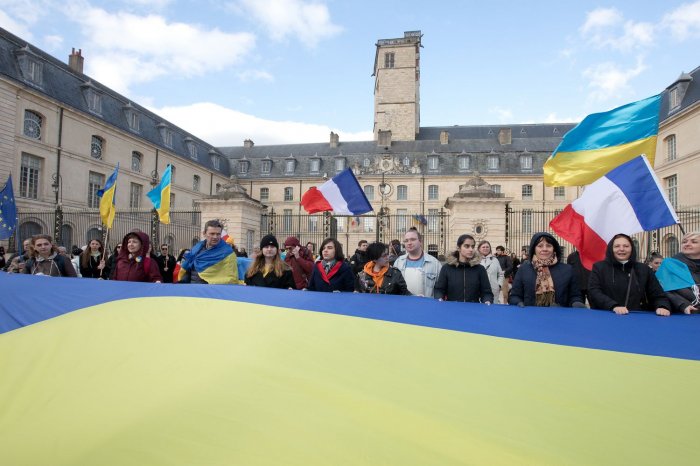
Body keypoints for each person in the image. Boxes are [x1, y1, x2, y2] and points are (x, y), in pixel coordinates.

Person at [588, 234, 671, 316]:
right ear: (611, 249)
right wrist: (613, 306)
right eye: (617, 246)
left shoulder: (644, 269)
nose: (621, 249)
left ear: (632, 248)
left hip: (636, 317)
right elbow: (594, 291)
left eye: (626, 246)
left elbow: (657, 294)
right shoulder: (599, 267)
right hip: (607, 315)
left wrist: (662, 306)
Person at [509, 232, 585, 308]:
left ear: (554, 248)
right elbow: (515, 296)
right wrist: (518, 302)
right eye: (540, 246)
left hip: (559, 314)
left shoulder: (568, 270)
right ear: (534, 249)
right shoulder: (524, 269)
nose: (544, 249)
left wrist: (576, 303)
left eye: (548, 246)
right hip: (530, 314)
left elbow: (575, 296)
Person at [434, 234, 493, 303]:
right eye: (467, 246)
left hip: (474, 308)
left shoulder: (480, 269)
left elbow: (487, 292)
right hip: (452, 308)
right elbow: (439, 290)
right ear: (458, 248)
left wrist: (487, 300)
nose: (471, 249)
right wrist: (439, 298)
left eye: (472, 246)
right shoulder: (446, 268)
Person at [178, 220, 239, 284]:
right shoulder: (196, 248)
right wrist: (183, 282)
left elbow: (231, 278)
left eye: (218, 234)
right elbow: (189, 268)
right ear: (204, 233)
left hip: (212, 289)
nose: (215, 237)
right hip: (193, 288)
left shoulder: (228, 253)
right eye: (212, 234)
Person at [656, 231, 700, 314]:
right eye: (684, 242)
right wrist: (683, 305)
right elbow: (662, 289)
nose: (687, 244)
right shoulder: (669, 264)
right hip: (682, 312)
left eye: (694, 242)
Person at [393, 227, 442, 297]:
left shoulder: (435, 263)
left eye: (413, 239)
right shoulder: (398, 262)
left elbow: (440, 289)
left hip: (425, 303)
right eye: (406, 241)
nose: (409, 243)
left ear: (420, 242)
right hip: (403, 302)